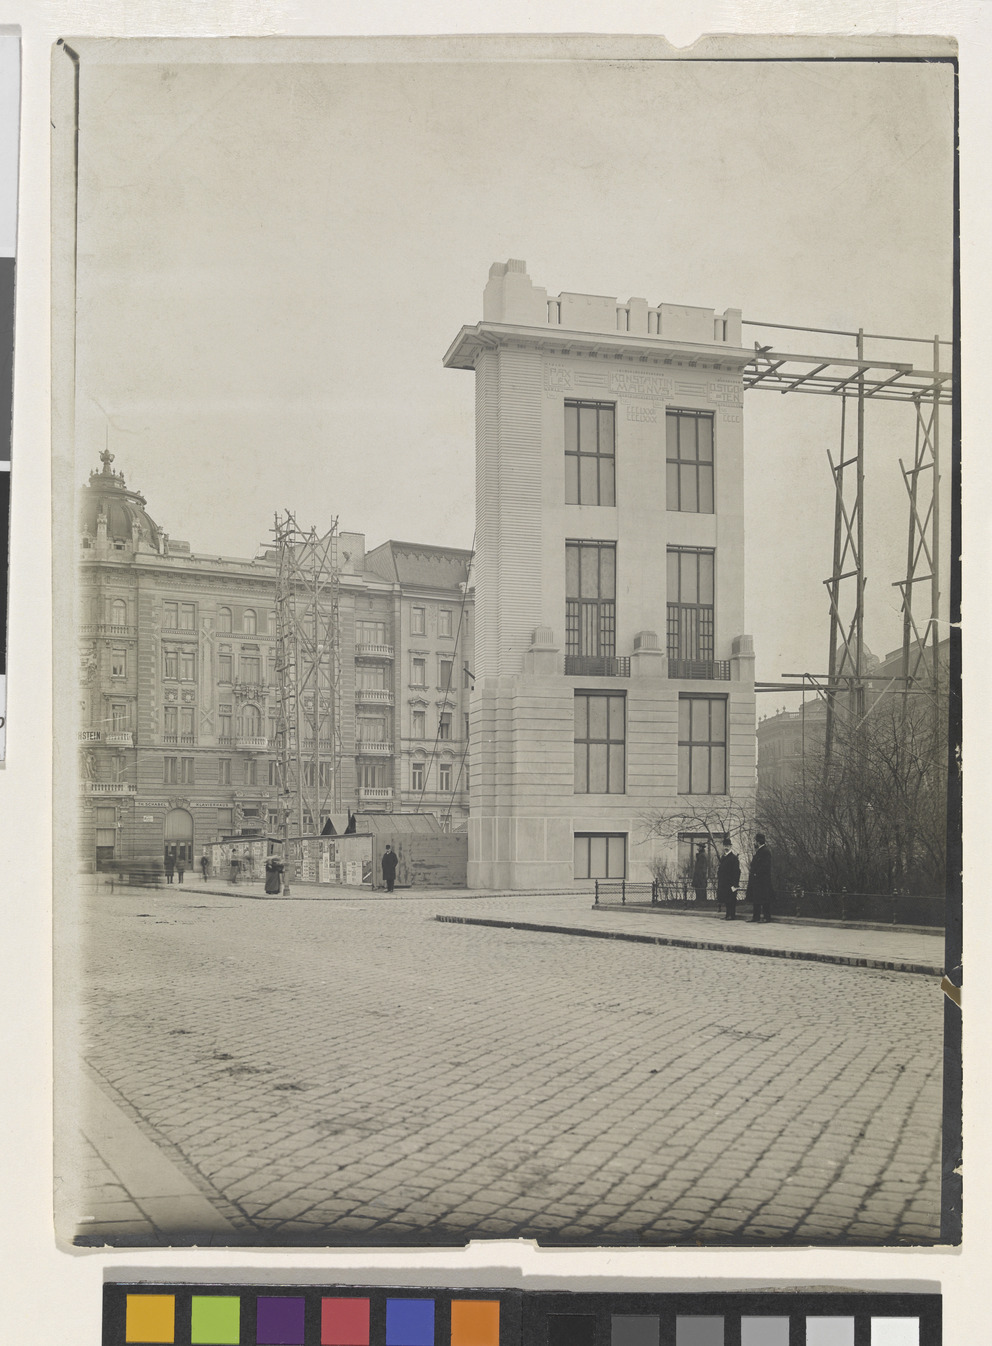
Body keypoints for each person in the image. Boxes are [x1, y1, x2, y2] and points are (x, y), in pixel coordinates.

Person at [746, 832, 775, 922]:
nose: (754, 843)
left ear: (758, 842)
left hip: (762, 880)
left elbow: (765, 866)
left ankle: (767, 917)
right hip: (757, 880)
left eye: (755, 841)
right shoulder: (759, 851)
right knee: (757, 899)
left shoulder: (765, 851)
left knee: (764, 899)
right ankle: (756, 917)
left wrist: (756, 873)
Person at [716, 835, 741, 920]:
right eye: (725, 846)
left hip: (730, 883)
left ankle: (732, 915)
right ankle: (727, 914)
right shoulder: (723, 857)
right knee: (726, 899)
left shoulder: (733, 858)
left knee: (731, 900)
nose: (726, 847)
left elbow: (736, 872)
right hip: (724, 883)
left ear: (731, 846)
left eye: (728, 846)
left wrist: (735, 884)